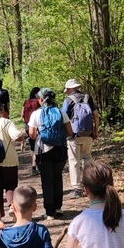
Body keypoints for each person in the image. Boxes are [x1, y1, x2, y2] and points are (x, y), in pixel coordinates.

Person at [28, 88, 73, 219]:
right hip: (60, 150)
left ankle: (49, 212)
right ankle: (58, 208)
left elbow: (31, 134)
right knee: (57, 177)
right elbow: (70, 132)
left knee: (46, 180)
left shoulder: (36, 114)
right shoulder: (60, 112)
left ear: (41, 99)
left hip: (43, 151)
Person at [62, 79, 100, 199]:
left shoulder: (68, 100)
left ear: (69, 89)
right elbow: (96, 115)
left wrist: (65, 134)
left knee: (74, 162)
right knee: (87, 159)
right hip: (88, 134)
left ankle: (77, 189)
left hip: (73, 136)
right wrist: (95, 130)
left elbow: (63, 118)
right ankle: (88, 185)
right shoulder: (88, 98)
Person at [22, 87, 41, 174]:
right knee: (37, 147)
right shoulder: (39, 102)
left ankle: (34, 165)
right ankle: (34, 166)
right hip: (36, 127)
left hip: (28, 126)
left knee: (33, 147)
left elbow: (22, 114)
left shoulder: (26, 101)